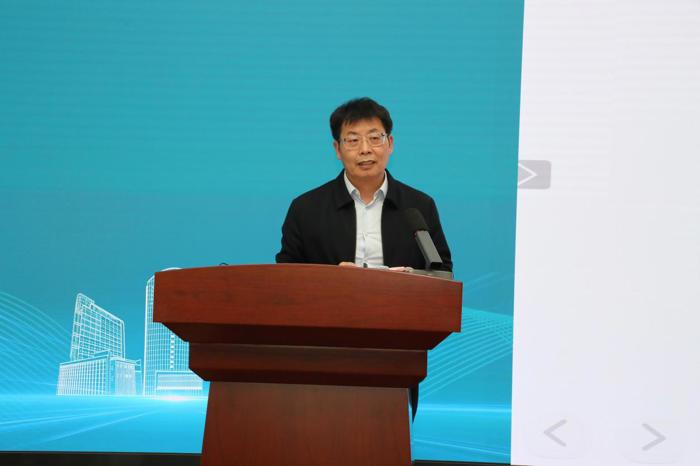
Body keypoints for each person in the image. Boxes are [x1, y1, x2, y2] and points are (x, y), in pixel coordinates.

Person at [276, 97, 453, 419]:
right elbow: (286, 278)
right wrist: (333, 280)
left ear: (390, 143)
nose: (365, 149)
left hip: (395, 345)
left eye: (375, 138)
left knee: (388, 432)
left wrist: (407, 280)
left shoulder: (419, 206)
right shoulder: (306, 208)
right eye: (353, 140)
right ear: (337, 148)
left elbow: (442, 273)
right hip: (323, 346)